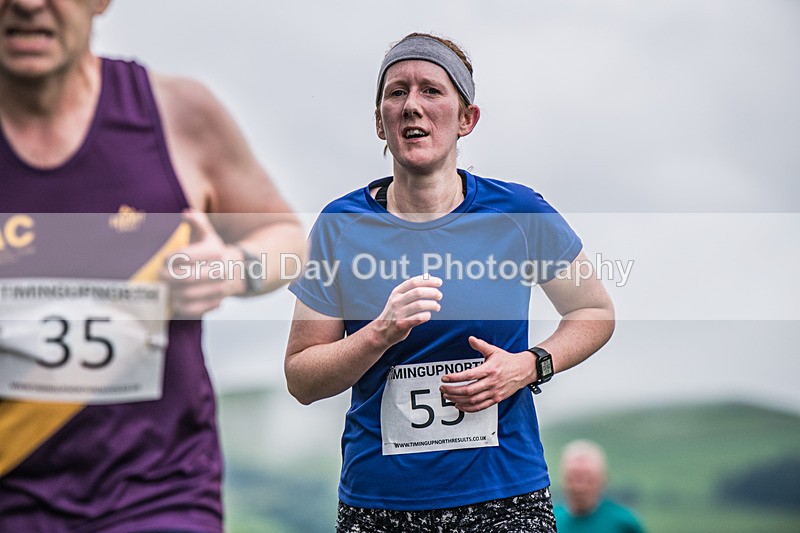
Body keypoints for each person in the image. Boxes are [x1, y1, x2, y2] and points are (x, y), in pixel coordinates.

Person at [284, 32, 615, 532]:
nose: (412, 106)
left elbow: (594, 312)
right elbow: (302, 378)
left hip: (506, 497)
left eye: (432, 91)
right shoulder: (340, 225)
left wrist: (529, 365)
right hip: (380, 504)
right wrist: (378, 334)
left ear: (467, 119)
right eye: (397, 92)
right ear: (380, 121)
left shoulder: (518, 213)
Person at [0, 0, 304, 531]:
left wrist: (234, 267)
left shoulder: (175, 113)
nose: (28, 5)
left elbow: (287, 238)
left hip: (156, 492)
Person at [554, 440, 646, 533]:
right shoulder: (551, 520)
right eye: (573, 479)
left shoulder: (624, 524)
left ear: (602, 479)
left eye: (588, 480)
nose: (580, 488)